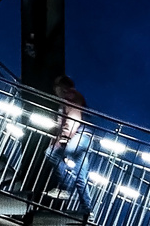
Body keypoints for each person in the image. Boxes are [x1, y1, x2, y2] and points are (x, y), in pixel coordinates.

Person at [44, 74, 94, 219]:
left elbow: (73, 117)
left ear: (62, 87)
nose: (55, 90)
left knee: (51, 153)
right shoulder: (70, 97)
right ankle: (88, 211)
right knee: (80, 177)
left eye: (56, 87)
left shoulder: (70, 96)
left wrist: (64, 138)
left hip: (79, 135)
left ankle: (66, 187)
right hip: (85, 137)